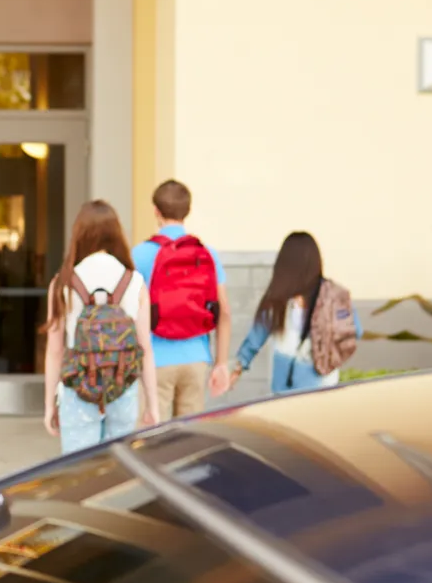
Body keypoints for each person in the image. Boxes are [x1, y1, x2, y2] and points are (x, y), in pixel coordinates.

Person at [42, 200, 159, 452]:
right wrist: (152, 404)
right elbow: (144, 347)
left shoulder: (63, 282)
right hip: (122, 387)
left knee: (79, 472)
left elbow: (54, 351)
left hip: (78, 389)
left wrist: (50, 403)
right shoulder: (134, 281)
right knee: (121, 471)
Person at [131, 180, 232, 421]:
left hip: (155, 361)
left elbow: (131, 311)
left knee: (152, 442)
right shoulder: (207, 253)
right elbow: (224, 311)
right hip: (196, 358)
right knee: (188, 440)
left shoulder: (140, 254)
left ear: (156, 211)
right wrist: (221, 363)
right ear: (187, 210)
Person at [231, 231, 362, 394]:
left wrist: (237, 368)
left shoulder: (279, 300)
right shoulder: (332, 296)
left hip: (286, 390)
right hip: (323, 387)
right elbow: (355, 330)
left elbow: (255, 338)